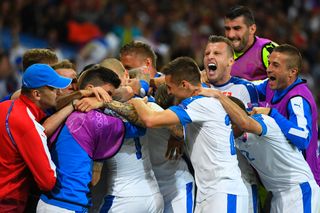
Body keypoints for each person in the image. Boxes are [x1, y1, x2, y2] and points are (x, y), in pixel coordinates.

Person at [129, 57, 248, 213]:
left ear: (184, 84)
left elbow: (150, 120)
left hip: (223, 190)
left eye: (170, 86)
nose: (168, 91)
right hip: (209, 191)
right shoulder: (204, 99)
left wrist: (135, 99)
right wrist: (178, 136)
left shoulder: (198, 103)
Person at [200, 89, 320, 212]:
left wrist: (219, 95)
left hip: (298, 190)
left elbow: (245, 123)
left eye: (222, 122)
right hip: (276, 195)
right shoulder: (234, 138)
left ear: (234, 121)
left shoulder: (263, 120)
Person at [36, 65, 127, 212]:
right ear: (92, 89)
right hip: (69, 203)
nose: (108, 99)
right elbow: (141, 126)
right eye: (107, 94)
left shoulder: (54, 112)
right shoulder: (96, 119)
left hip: (46, 201)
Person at [0, 64, 72, 212]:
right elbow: (47, 181)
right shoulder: (29, 126)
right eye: (53, 89)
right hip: (7, 204)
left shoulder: (4, 106)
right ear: (37, 94)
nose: (58, 92)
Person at [203, 35, 259, 213]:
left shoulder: (244, 89)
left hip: (241, 178)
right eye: (207, 53)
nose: (210, 56)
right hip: (205, 182)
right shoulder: (196, 88)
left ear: (230, 61)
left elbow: (253, 130)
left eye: (217, 53)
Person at [255, 44, 320, 186]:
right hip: (282, 180)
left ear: (292, 72)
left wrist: (272, 114)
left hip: (304, 183)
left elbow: (303, 138)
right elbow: (248, 89)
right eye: (269, 63)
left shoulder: (297, 99)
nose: (268, 69)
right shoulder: (272, 85)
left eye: (275, 65)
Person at [224, 5, 277, 81]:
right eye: (227, 29)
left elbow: (288, 83)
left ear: (252, 29)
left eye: (237, 28)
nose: (231, 35)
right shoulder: (220, 52)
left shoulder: (268, 50)